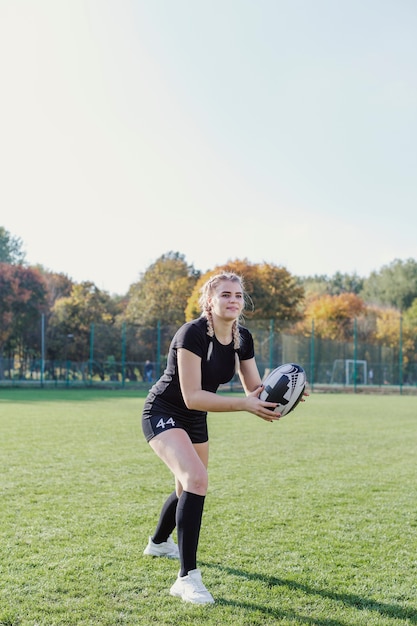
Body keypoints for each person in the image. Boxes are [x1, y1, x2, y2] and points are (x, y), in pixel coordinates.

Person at [141, 272, 283, 605]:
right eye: (225, 295)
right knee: (196, 479)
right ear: (210, 301)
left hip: (195, 418)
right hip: (163, 410)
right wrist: (245, 406)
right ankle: (186, 578)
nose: (233, 301)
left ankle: (159, 542)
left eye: (238, 296)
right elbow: (192, 396)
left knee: (186, 486)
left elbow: (255, 390)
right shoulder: (191, 334)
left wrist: (286, 393)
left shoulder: (242, 338)